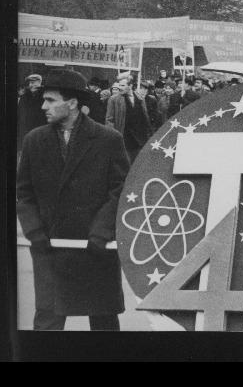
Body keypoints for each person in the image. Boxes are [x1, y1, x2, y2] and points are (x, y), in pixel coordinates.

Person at [17, 69, 128, 330]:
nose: (44, 106)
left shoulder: (109, 140)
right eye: (44, 99)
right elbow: (24, 193)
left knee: (103, 322)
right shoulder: (34, 140)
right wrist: (35, 232)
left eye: (51, 100)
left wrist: (102, 231)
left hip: (96, 248)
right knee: (47, 321)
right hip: (50, 246)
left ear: (73, 103)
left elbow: (120, 190)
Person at [105, 76, 153, 162]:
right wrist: (113, 138)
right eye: (119, 85)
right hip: (124, 139)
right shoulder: (114, 100)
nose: (120, 88)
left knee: (138, 166)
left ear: (130, 86)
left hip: (140, 140)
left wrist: (149, 134)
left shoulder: (140, 98)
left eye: (123, 85)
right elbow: (109, 120)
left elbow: (145, 118)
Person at [17, 73, 47, 151]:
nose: (31, 85)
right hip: (27, 129)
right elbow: (20, 115)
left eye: (33, 82)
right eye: (30, 83)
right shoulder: (24, 97)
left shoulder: (45, 96)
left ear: (40, 83)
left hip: (41, 129)